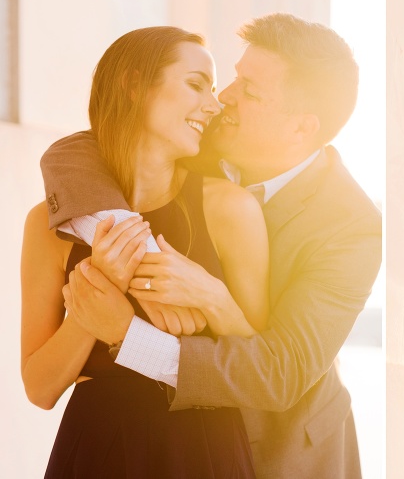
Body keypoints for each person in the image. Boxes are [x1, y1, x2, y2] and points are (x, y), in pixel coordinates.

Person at [39, 13, 382, 479]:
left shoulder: (353, 227)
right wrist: (140, 257)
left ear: (302, 128)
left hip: (284, 447)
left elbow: (279, 373)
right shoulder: (201, 142)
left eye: (250, 92)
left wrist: (142, 328)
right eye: (235, 79)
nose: (223, 98)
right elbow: (76, 151)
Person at [22, 26, 271, 477]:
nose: (213, 105)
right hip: (96, 449)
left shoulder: (230, 209)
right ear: (134, 85)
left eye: (213, 90)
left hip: (204, 448)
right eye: (196, 84)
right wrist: (94, 301)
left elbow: (257, 365)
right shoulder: (47, 224)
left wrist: (207, 292)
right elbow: (39, 388)